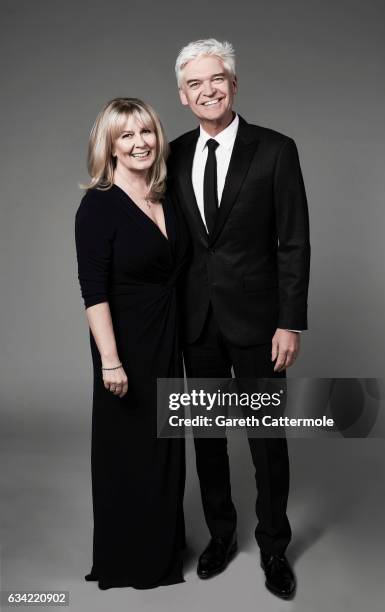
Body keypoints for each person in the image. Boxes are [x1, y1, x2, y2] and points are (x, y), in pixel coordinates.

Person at [168, 39, 310, 600]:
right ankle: (221, 536)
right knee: (206, 438)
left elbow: (293, 243)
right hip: (195, 322)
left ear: (234, 83)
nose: (208, 90)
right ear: (182, 96)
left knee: (266, 441)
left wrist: (290, 321)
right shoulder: (173, 154)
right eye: (195, 83)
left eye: (217, 78)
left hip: (259, 324)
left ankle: (274, 547)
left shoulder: (275, 150)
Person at [75, 97, 189, 590]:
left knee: (165, 448)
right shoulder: (98, 205)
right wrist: (111, 361)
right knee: (127, 452)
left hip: (169, 339)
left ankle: (164, 548)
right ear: (111, 146)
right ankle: (129, 559)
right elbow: (93, 291)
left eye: (146, 132)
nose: (140, 143)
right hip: (125, 347)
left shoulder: (167, 195)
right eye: (127, 136)